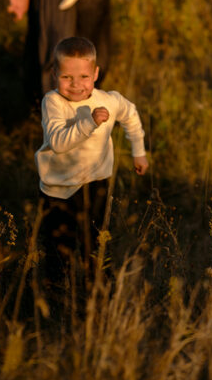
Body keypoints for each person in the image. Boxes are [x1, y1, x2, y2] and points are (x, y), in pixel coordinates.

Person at [35, 36, 148, 278]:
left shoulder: (108, 100)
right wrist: (89, 122)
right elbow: (57, 143)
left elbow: (130, 115)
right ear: (55, 74)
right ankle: (56, 296)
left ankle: (96, 290)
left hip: (96, 182)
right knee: (58, 250)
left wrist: (138, 151)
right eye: (67, 77)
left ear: (95, 73)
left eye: (84, 77)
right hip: (59, 189)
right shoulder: (53, 102)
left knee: (95, 243)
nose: (76, 85)